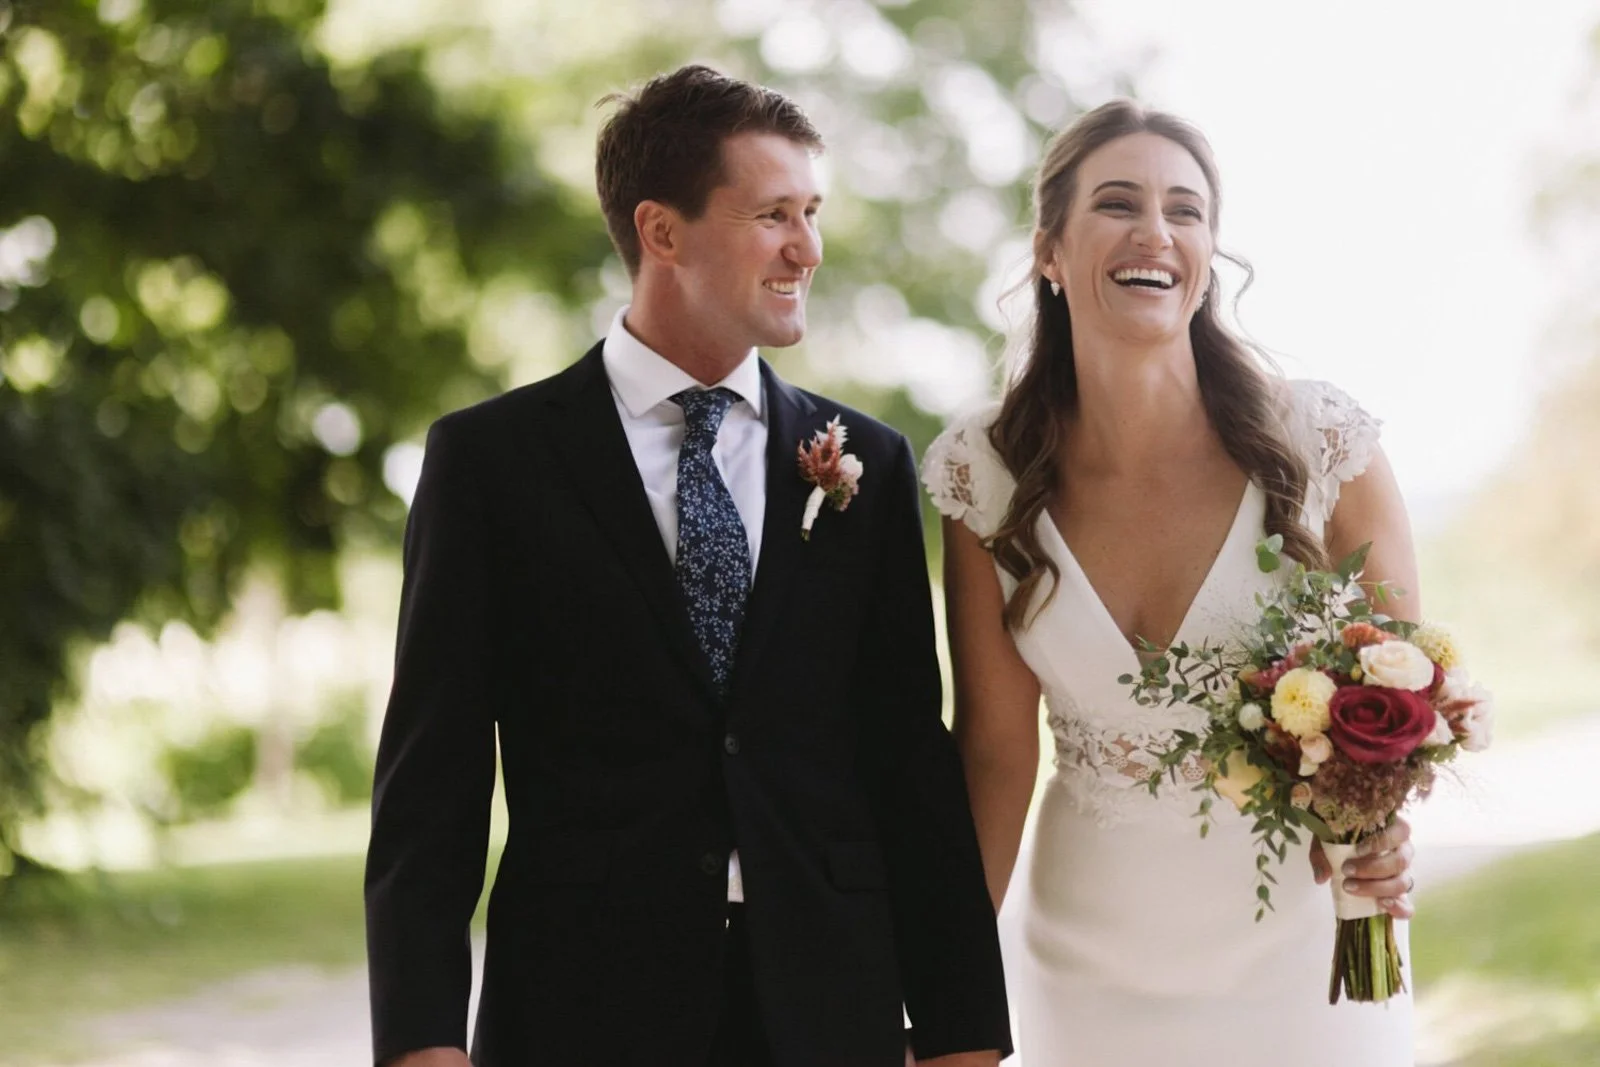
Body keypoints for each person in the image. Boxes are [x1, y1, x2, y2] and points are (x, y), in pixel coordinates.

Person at [364, 65, 1011, 1067]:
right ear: (661, 232)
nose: (807, 246)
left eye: (811, 211)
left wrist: (962, 1032)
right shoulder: (491, 461)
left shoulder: (869, 466)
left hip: (826, 1008)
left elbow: (903, 758)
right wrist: (420, 1041)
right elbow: (431, 777)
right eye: (771, 215)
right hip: (579, 1007)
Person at [923, 100, 1421, 1064]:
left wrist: (1378, 830)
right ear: (1050, 253)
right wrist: (945, 1001)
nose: (1156, 231)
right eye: (1118, 203)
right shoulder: (981, 472)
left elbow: (1399, 699)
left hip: (1303, 957)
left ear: (1207, 258)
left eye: (1186, 211)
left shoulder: (1321, 446)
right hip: (1084, 970)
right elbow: (993, 755)